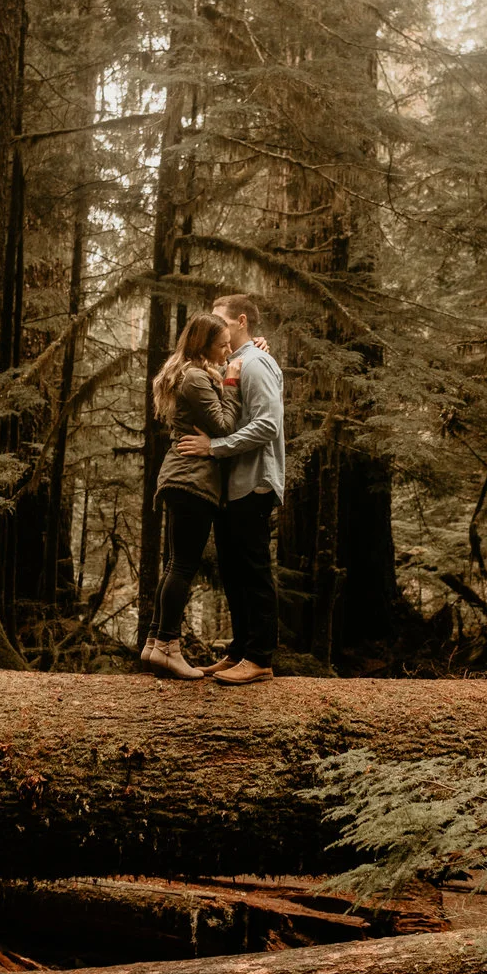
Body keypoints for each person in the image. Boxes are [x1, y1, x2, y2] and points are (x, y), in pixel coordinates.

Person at [174, 292, 282, 685]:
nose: (214, 327)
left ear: (240, 322)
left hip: (253, 482)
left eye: (219, 320)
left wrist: (214, 447)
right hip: (231, 485)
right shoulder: (234, 365)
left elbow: (268, 425)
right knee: (234, 571)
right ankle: (240, 652)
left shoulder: (256, 364)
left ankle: (260, 657)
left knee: (253, 569)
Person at [138, 313, 234, 680]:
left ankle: (154, 643)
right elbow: (225, 426)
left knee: (175, 563)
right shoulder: (196, 377)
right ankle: (168, 646)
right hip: (192, 478)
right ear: (202, 346)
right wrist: (232, 387)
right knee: (182, 566)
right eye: (221, 344)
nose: (227, 350)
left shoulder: (189, 373)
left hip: (182, 477)